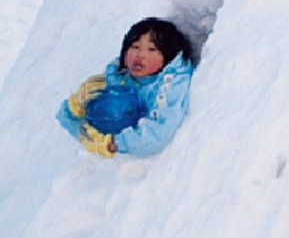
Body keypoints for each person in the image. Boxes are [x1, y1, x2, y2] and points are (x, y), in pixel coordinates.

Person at [55, 17, 194, 158]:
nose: (140, 55)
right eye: (135, 47)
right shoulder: (119, 75)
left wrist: (113, 143)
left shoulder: (170, 82)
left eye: (152, 49)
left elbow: (159, 133)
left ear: (168, 57)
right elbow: (66, 121)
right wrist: (75, 107)